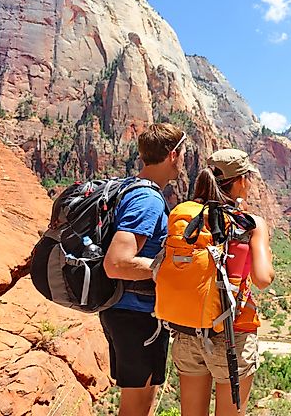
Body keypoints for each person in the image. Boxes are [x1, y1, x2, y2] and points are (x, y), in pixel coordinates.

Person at [172, 148, 275, 416]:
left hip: (188, 329)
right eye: (248, 178)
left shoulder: (188, 217)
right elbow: (263, 279)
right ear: (241, 181)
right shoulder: (251, 223)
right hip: (233, 333)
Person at [101, 123, 186, 416]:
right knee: (135, 408)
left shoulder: (133, 188)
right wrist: (169, 269)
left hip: (131, 312)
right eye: (183, 154)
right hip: (134, 314)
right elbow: (117, 263)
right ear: (173, 155)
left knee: (141, 403)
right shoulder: (147, 199)